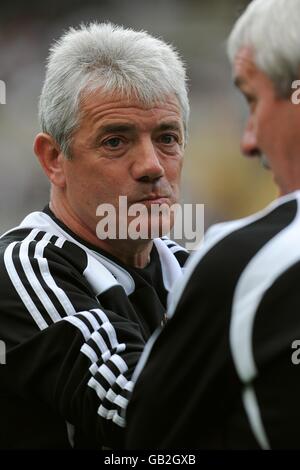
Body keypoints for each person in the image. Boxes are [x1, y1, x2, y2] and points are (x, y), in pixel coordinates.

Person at [0, 22, 189, 449]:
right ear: (54, 160)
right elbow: (139, 414)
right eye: (116, 141)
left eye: (167, 138)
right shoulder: (24, 268)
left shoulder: (196, 269)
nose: (152, 165)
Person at [125, 0, 300, 450]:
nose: (248, 140)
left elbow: (144, 448)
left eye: (252, 100)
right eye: (115, 141)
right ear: (53, 160)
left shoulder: (244, 265)